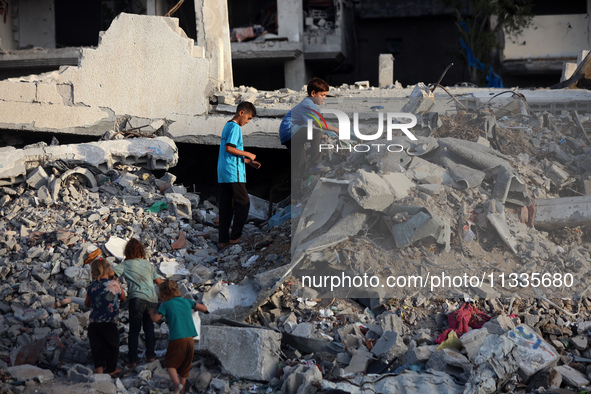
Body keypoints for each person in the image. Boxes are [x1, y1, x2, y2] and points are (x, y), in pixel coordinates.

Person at [279, 77, 339, 199]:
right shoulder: (308, 104)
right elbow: (318, 124)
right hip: (291, 131)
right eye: (322, 95)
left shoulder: (308, 104)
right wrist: (337, 130)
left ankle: (296, 197)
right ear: (313, 93)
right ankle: (315, 164)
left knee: (298, 165)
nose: (324, 98)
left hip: (288, 134)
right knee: (316, 133)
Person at [149, 279, 208, 394]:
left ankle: (177, 385)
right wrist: (196, 308)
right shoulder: (187, 301)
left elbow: (156, 319)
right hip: (190, 340)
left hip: (177, 339)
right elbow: (204, 309)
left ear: (162, 295)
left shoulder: (165, 305)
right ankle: (182, 390)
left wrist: (151, 312)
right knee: (185, 367)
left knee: (170, 364)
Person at [216, 101, 261, 249]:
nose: (248, 122)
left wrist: (247, 161)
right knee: (244, 203)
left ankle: (223, 241)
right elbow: (230, 148)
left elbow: (228, 151)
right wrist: (248, 153)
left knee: (226, 206)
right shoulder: (235, 127)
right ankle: (235, 238)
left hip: (223, 172)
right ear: (241, 113)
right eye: (248, 118)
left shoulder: (227, 125)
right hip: (233, 172)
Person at [113, 238, 163, 368]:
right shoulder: (148, 265)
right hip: (152, 300)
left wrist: (120, 290)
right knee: (149, 328)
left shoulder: (125, 264)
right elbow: (159, 282)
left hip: (136, 300)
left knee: (134, 330)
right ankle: (151, 356)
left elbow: (112, 276)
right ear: (141, 252)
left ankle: (133, 360)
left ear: (127, 252)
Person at [85, 258, 126, 376]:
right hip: (109, 322)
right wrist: (117, 285)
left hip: (94, 323)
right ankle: (111, 369)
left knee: (97, 347)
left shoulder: (92, 286)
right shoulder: (114, 284)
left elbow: (87, 303)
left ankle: (99, 371)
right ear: (109, 271)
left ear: (93, 273)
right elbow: (123, 297)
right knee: (112, 345)